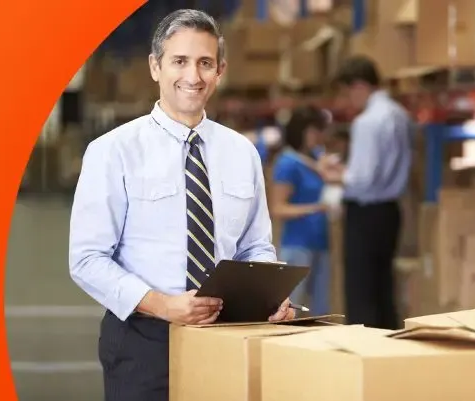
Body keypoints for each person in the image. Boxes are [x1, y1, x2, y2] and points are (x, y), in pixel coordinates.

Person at [68, 9, 293, 401]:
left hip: (227, 336)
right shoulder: (113, 152)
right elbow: (87, 260)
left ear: (220, 71)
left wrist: (270, 294)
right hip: (143, 342)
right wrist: (163, 305)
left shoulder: (242, 153)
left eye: (205, 63)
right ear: (155, 67)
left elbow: (255, 246)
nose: (193, 75)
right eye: (180, 61)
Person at [320, 56, 412, 330]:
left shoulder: (367, 122)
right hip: (390, 211)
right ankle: (388, 343)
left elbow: (361, 179)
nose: (347, 101)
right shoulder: (399, 114)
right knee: (383, 289)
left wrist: (333, 175)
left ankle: (364, 348)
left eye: (347, 93)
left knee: (361, 293)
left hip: (365, 215)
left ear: (360, 86)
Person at [270, 105, 332, 315]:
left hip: (321, 242)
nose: (319, 136)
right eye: (314, 130)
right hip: (297, 245)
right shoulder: (287, 163)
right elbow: (278, 208)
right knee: (291, 307)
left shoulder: (317, 159)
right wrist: (314, 208)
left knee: (321, 309)